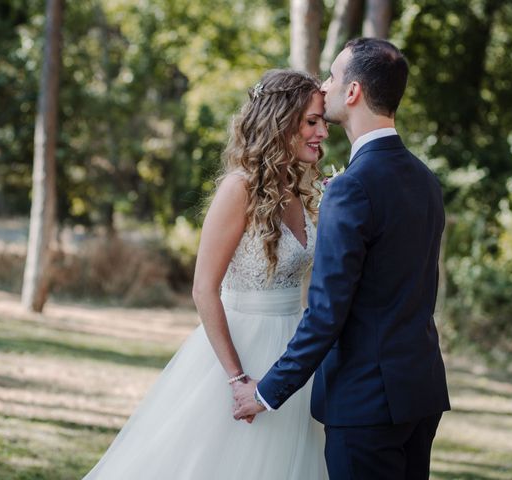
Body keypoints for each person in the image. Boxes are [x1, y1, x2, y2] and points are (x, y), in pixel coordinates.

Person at [83, 69, 329, 479]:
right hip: (241, 348)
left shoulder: (303, 189)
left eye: (322, 121)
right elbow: (203, 289)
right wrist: (236, 377)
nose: (322, 131)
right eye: (311, 121)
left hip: (293, 346)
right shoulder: (239, 188)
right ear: (280, 122)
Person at [234, 38, 451, 480]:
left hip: (366, 401)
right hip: (420, 391)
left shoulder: (353, 187)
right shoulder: (424, 179)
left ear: (352, 93)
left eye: (332, 77)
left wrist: (269, 392)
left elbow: (327, 311)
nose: (325, 85)